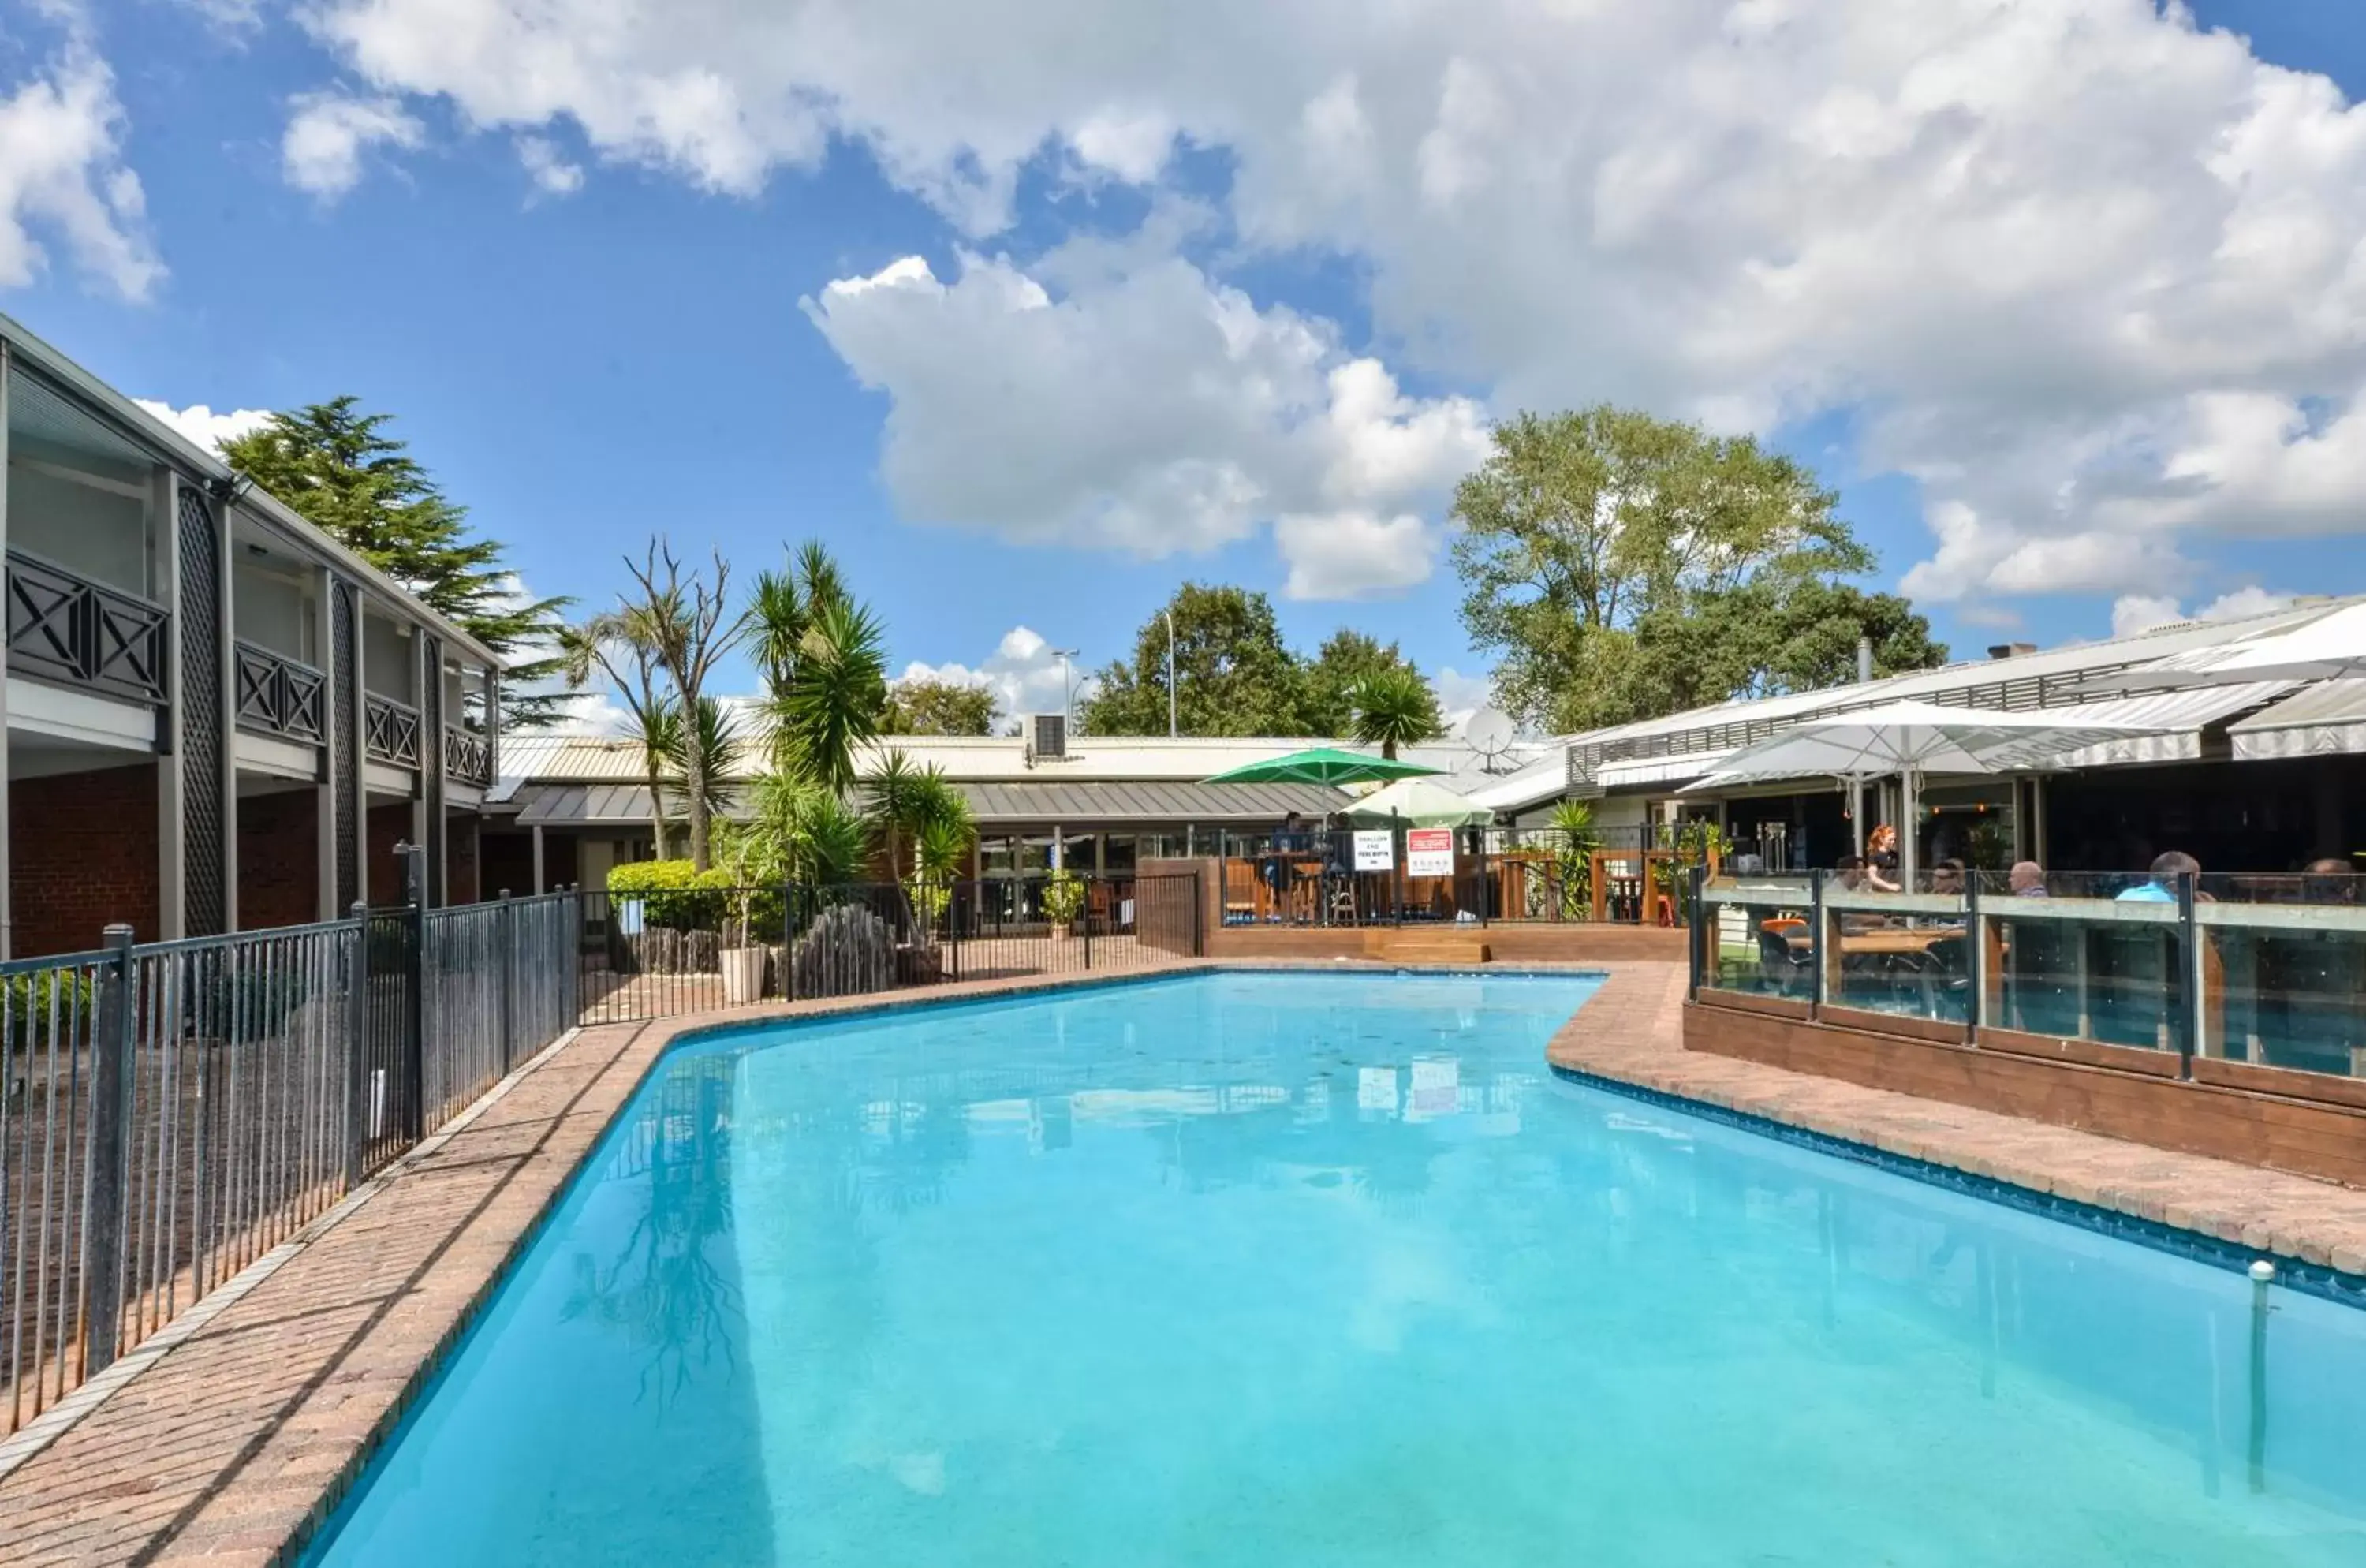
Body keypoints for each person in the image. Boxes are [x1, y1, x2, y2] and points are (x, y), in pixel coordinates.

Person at [2116, 849, 2200, 903]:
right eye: (2196, 879)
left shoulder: (2127, 893)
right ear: (2173, 885)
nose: (2197, 885)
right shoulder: (2167, 903)